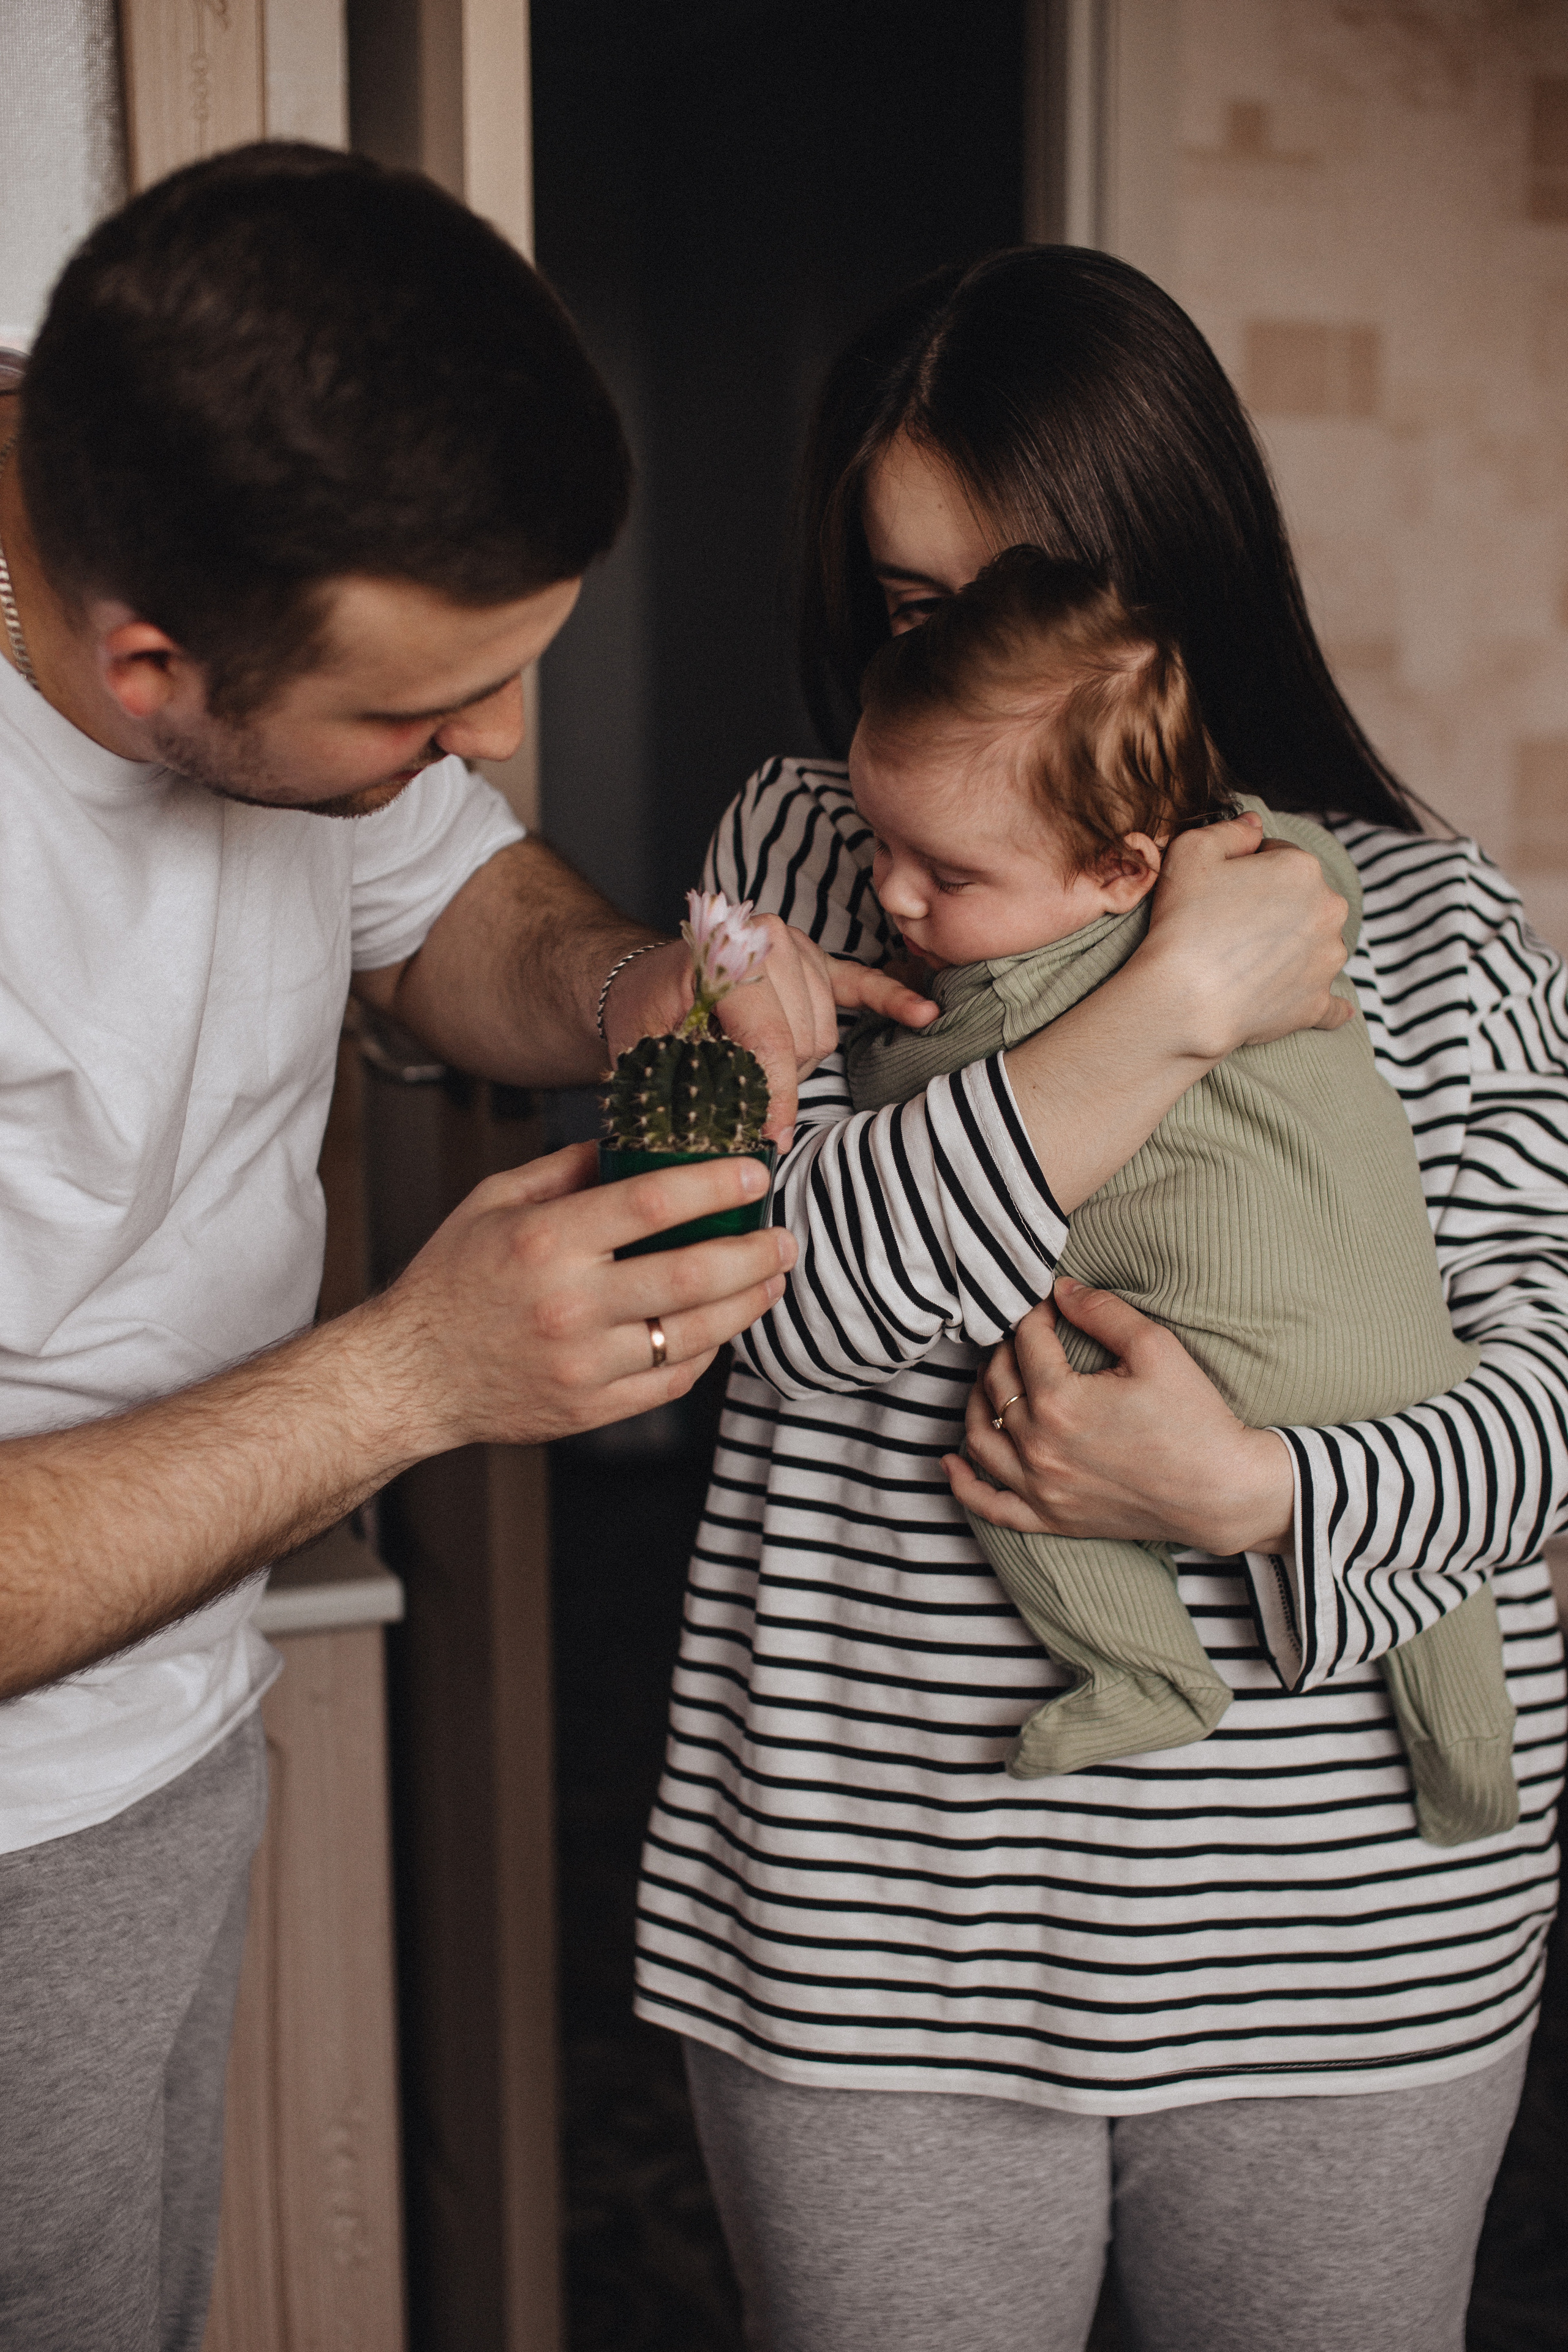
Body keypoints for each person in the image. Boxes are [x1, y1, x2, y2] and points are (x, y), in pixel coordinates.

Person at [0, 143, 921, 2352]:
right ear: (149, 670)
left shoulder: (192, 508)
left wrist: (629, 994)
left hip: (163, 1735)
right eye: (430, 712)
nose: (493, 745)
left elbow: (446, 902)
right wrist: (417, 1378)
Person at [634, 246, 1568, 2352]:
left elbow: (1560, 1393)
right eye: (907, 607)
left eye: (1023, 586)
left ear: (1174, 569)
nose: (968, 655)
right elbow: (693, 1286)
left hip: (1352, 1953)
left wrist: (1257, 1498)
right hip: (870, 1939)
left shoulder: (1431, 913)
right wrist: (1153, 1026)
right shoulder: (779, 856)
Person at [843, 543, 1514, 1847]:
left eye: (946, 872)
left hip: (1203, 1362)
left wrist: (859, 1036)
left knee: (1023, 1445)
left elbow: (894, 1103)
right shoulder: (1274, 876)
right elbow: (1332, 874)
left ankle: (1144, 1669)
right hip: (1411, 1356)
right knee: (1441, 1586)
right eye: (879, 843)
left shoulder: (997, 1002)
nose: (891, 893)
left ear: (1117, 873)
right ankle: (1472, 1772)